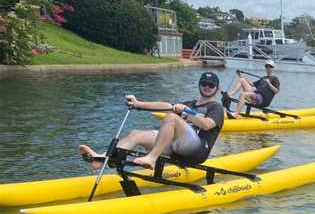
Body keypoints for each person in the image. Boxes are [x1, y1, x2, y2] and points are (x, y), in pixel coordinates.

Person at [79, 72, 225, 170]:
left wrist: (187, 111)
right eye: (204, 84)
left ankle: (152, 158)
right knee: (136, 134)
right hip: (176, 147)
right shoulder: (189, 102)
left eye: (211, 85)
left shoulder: (216, 107)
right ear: (199, 85)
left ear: (217, 89)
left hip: (197, 150)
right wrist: (138, 104)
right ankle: (103, 158)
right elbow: (166, 106)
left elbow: (206, 125)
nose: (207, 87)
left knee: (172, 118)